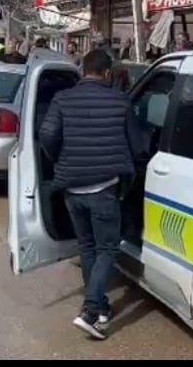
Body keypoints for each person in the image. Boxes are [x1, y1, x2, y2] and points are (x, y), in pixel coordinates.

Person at [39, 50, 136, 340]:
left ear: (83, 71)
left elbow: (47, 135)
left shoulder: (62, 99)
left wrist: (60, 160)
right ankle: (91, 311)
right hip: (104, 188)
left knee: (88, 247)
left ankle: (102, 309)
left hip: (72, 188)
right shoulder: (120, 101)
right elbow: (138, 143)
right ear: (107, 73)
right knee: (107, 248)